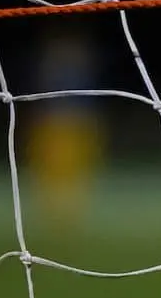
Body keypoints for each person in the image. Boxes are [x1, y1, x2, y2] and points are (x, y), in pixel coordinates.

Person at [25, 21, 105, 232]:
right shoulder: (53, 63)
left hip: (76, 120)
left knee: (76, 163)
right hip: (56, 120)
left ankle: (71, 207)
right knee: (53, 164)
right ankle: (53, 208)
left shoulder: (76, 63)